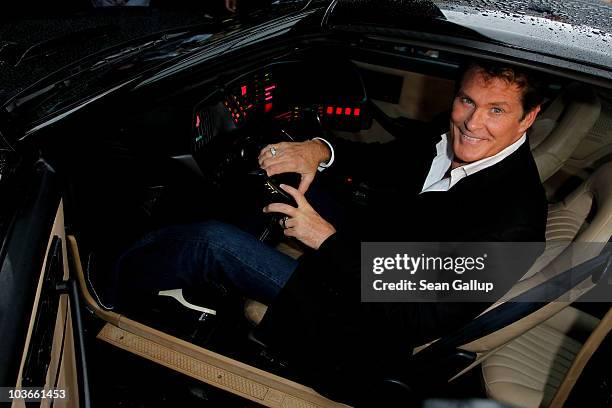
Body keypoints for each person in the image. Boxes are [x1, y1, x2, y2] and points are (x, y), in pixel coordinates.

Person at [116, 60, 548, 403]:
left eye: (497, 111)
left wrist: (324, 239)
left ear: (528, 117)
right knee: (283, 179)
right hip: (360, 250)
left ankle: (111, 292)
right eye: (467, 102)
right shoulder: (451, 131)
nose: (473, 123)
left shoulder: (515, 224)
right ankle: (197, 286)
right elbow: (384, 162)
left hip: (358, 324)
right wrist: (317, 150)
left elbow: (409, 319)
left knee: (208, 242)